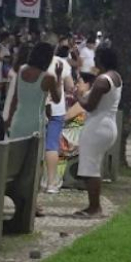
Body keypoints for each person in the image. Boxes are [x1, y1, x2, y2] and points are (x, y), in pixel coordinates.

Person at [72, 47, 122, 217]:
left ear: (101, 59)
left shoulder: (102, 80)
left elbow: (90, 105)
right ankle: (94, 205)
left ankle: (95, 207)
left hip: (97, 126)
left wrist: (77, 95)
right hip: (107, 124)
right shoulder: (115, 77)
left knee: (89, 168)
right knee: (92, 166)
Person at [43, 44, 75, 193]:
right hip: (56, 109)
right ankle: (50, 182)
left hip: (39, 108)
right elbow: (70, 86)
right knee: (52, 145)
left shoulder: (35, 63)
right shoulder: (61, 63)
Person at [6, 42, 54, 139]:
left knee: (15, 153)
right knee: (34, 154)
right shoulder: (47, 77)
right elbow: (56, 98)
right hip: (36, 124)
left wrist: (9, 119)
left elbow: (15, 98)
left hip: (18, 120)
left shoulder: (21, 69)